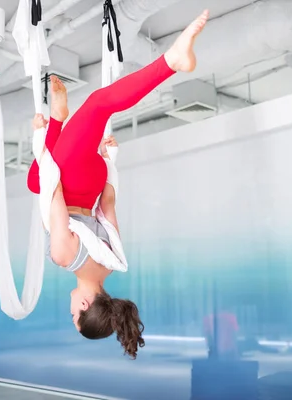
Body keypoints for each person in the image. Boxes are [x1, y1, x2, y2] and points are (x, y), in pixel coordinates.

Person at [27, 10, 209, 359]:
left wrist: (108, 162)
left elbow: (108, 205)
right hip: (73, 180)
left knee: (33, 181)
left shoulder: (112, 263)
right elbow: (56, 194)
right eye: (73, 315)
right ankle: (172, 62)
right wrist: (41, 144)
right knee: (97, 106)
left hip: (95, 180)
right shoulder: (64, 257)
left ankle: (58, 120)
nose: (69, 309)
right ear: (84, 304)